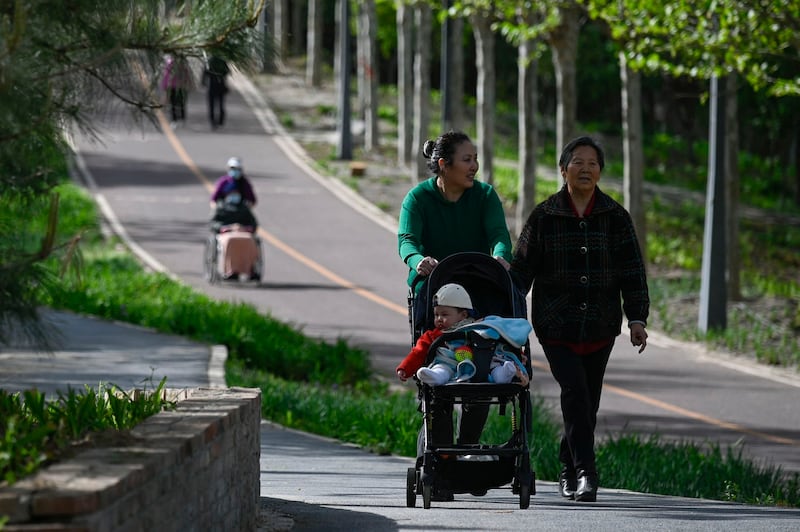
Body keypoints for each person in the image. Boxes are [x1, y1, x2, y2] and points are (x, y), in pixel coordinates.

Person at [509, 135, 650, 503]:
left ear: (600, 171)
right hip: (556, 326)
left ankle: (567, 467)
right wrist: (506, 316)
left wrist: (637, 318)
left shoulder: (615, 216)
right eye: (578, 162)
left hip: (601, 326)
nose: (586, 169)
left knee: (588, 403)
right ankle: (588, 473)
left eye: (592, 163)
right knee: (575, 392)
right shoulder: (545, 215)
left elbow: (633, 271)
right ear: (563, 169)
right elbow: (522, 270)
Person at [398, 131, 513, 289]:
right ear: (443, 164)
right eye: (467, 160)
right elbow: (407, 241)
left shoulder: (486, 195)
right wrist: (418, 261)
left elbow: (499, 235)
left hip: (478, 287)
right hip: (431, 288)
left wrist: (500, 256)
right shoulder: (417, 198)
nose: (475, 166)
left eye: (475, 159)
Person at [397, 283, 523, 386]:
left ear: (463, 315)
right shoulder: (433, 335)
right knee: (442, 368)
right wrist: (405, 368)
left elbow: (503, 339)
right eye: (436, 315)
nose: (439, 319)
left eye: (444, 315)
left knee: (494, 361)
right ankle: (436, 376)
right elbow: (418, 352)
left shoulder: (477, 327)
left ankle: (503, 373)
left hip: (481, 363)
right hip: (449, 363)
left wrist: (518, 355)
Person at [209, 193, 259, 281]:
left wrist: (244, 228)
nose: (234, 196)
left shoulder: (244, 209)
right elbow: (213, 224)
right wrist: (227, 228)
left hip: (243, 232)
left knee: (250, 240)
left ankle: (249, 269)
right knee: (230, 241)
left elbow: (253, 224)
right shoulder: (221, 208)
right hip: (226, 234)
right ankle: (229, 270)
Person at [161, 54, 193, 127]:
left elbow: (167, 75)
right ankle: (178, 119)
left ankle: (177, 119)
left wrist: (164, 86)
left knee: (178, 104)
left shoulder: (177, 64)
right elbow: (167, 75)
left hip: (177, 87)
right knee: (178, 104)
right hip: (177, 87)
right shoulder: (180, 65)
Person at [202, 55, 231, 129]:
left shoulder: (210, 61)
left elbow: (205, 72)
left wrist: (203, 82)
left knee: (212, 105)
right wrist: (221, 76)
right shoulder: (222, 61)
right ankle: (220, 121)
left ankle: (213, 121)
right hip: (221, 85)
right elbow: (227, 72)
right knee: (221, 104)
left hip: (212, 85)